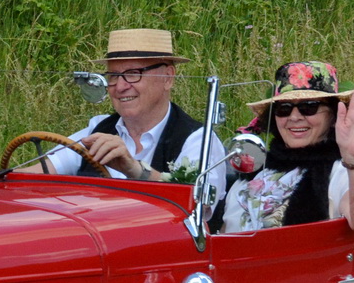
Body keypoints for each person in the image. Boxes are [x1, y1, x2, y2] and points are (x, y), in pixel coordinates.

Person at [220, 61, 354, 234]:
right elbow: (224, 235)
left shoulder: (344, 169)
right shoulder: (256, 170)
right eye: (284, 109)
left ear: (333, 116)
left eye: (309, 107)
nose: (294, 117)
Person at [34, 29, 219, 180]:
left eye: (133, 74)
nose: (120, 87)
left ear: (168, 77)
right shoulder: (98, 129)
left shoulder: (199, 141)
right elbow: (37, 173)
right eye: (113, 76)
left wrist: (134, 169)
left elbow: (197, 203)